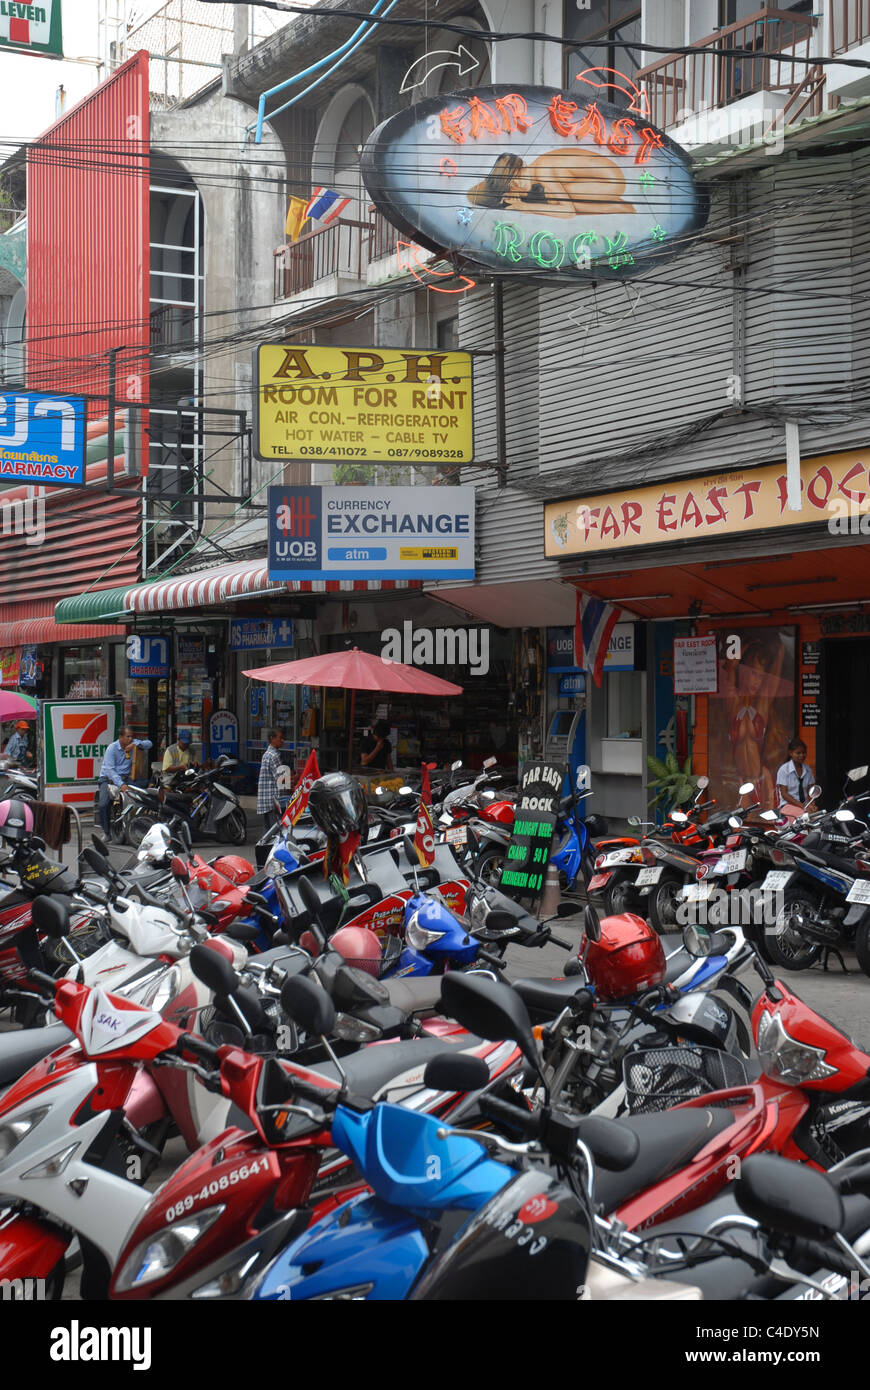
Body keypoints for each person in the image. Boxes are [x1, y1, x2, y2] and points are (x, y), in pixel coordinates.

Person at [97, 725, 153, 835]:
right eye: (127, 737)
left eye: (131, 737)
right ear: (121, 737)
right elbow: (110, 770)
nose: (130, 739)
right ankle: (106, 832)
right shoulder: (112, 748)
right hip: (109, 779)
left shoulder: (133, 743)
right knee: (103, 804)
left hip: (126, 778)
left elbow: (149, 744)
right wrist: (121, 784)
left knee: (147, 789)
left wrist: (135, 744)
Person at [258, 727, 287, 831]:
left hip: (268, 800)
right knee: (275, 832)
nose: (282, 740)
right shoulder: (273, 756)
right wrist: (295, 779)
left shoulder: (267, 754)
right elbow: (280, 779)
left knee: (269, 831)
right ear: (272, 739)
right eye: (280, 738)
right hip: (274, 800)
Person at [776, 738, 816, 812]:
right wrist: (802, 806)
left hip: (805, 805)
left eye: (804, 753)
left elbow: (811, 790)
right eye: (798, 753)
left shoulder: (808, 769)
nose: (802, 755)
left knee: (820, 818)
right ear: (790, 753)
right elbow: (784, 794)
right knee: (804, 817)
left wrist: (812, 805)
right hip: (788, 805)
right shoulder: (784, 770)